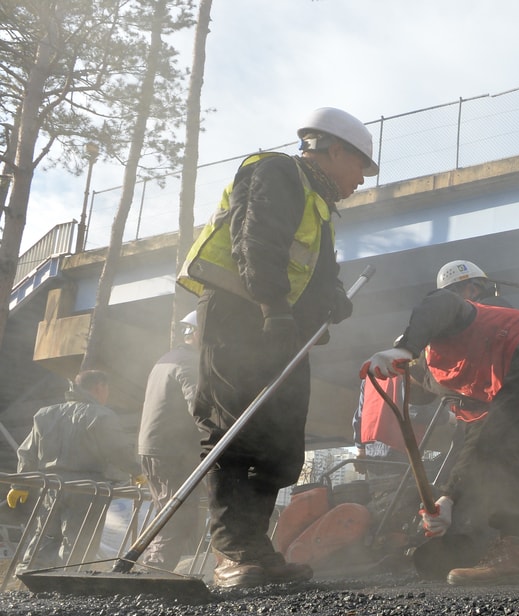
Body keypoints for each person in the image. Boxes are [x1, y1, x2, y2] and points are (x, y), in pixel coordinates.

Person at [176, 106, 375, 588]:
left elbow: (319, 272)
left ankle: (258, 548)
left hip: (279, 330)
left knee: (278, 442)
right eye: (360, 168)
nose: (362, 180)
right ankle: (232, 552)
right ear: (335, 150)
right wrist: (274, 309)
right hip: (239, 320)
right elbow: (256, 241)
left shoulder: (321, 206)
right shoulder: (278, 172)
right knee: (234, 431)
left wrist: (331, 302)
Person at [360, 259, 519, 585]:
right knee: (516, 460)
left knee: (499, 453)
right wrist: (449, 498)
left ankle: (513, 551)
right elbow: (475, 442)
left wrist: (404, 347)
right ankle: (518, 552)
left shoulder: (455, 323)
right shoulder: (463, 384)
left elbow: (440, 302)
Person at [15, 370, 137, 566]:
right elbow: (118, 450)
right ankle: (68, 587)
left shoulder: (45, 414)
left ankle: (30, 581)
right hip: (87, 488)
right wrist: (137, 470)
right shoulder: (102, 415)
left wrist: (20, 484)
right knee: (78, 541)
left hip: (50, 486)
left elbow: (27, 452)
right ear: (100, 387)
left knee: (44, 536)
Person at [135, 311, 203, 569]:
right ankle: (154, 573)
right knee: (178, 515)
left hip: (156, 448)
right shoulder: (189, 363)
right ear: (198, 334)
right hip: (172, 451)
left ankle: (154, 569)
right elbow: (199, 407)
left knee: (169, 511)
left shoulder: (166, 359)